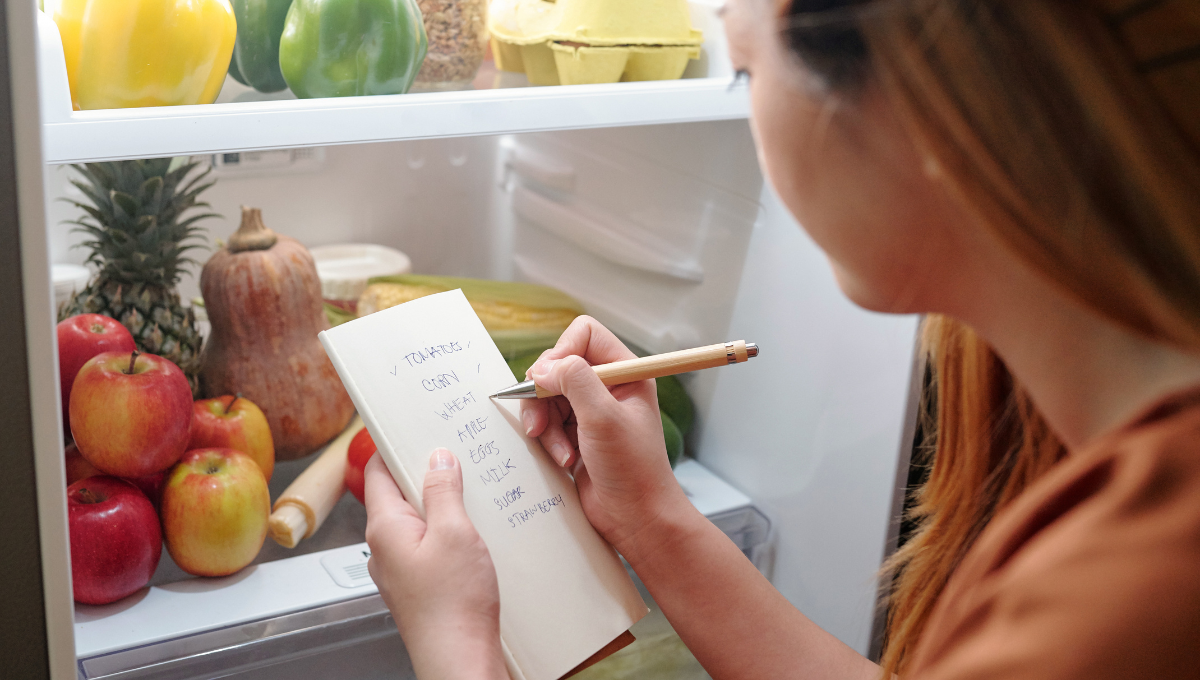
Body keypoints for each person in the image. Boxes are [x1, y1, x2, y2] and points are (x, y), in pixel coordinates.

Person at [362, 0, 1200, 678]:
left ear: (927, 103)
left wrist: (459, 650)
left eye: (749, 69)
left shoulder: (1126, 599)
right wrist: (650, 518)